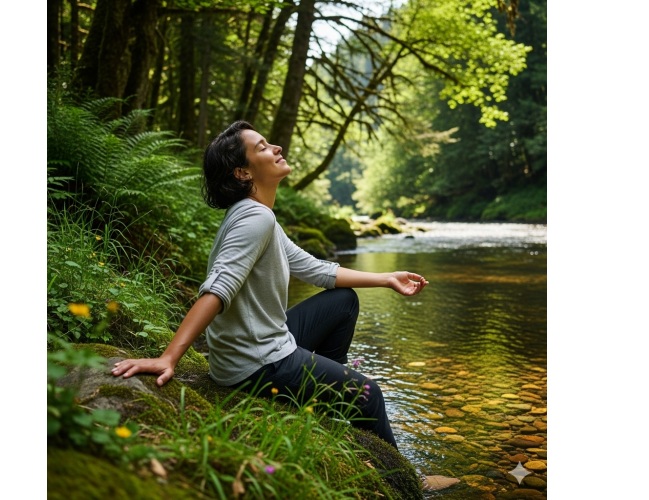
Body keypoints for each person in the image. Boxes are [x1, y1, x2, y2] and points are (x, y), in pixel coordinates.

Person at [111, 121, 427, 449]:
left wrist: (387, 279)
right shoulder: (256, 219)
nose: (276, 148)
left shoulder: (260, 217)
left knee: (343, 301)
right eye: (262, 147)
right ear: (243, 173)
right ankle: (393, 472)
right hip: (254, 364)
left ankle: (327, 400)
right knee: (369, 395)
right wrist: (169, 358)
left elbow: (317, 270)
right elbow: (218, 288)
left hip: (261, 344)